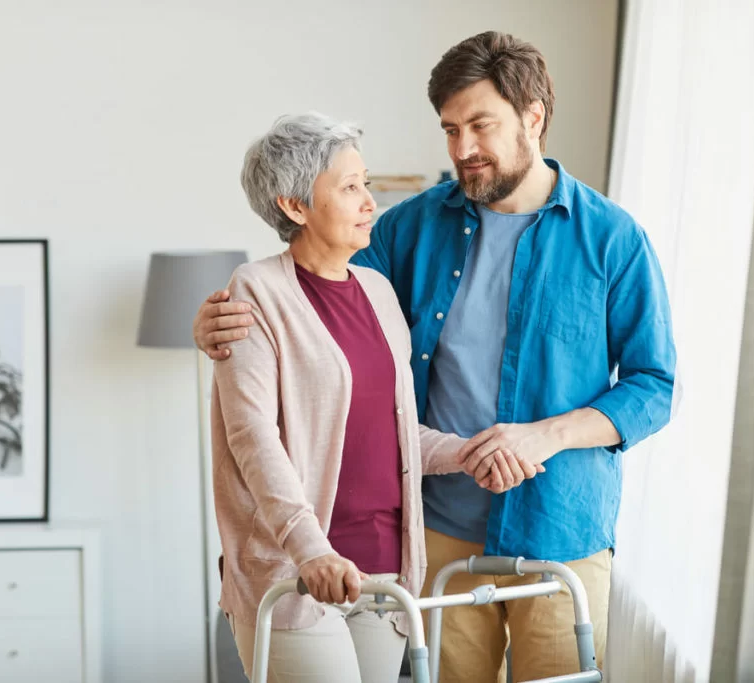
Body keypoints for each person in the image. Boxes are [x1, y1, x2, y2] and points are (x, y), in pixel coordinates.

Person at [196, 32, 676, 683]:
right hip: (436, 530)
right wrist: (219, 325)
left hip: (562, 526)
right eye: (450, 129)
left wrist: (546, 436)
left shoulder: (612, 239)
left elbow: (653, 385)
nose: (461, 149)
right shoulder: (406, 228)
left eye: (480, 125)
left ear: (533, 117)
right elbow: (310, 304)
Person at [210, 111, 543, 683]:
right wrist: (310, 551)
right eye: (349, 187)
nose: (369, 201)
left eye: (366, 183)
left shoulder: (377, 291)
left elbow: (393, 430)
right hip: (298, 571)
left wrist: (468, 453)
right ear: (295, 206)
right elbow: (254, 439)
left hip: (386, 568)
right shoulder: (255, 291)